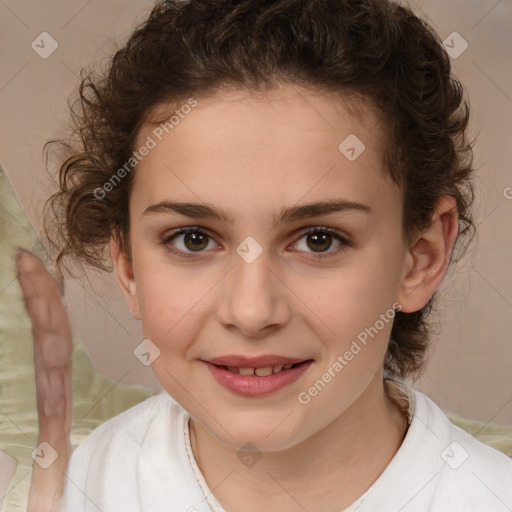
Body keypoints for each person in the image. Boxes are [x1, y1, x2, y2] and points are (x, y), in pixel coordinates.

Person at [16, 0, 512, 510]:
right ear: (128, 267)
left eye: (319, 240)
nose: (251, 312)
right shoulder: (76, 492)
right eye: (193, 239)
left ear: (419, 258)